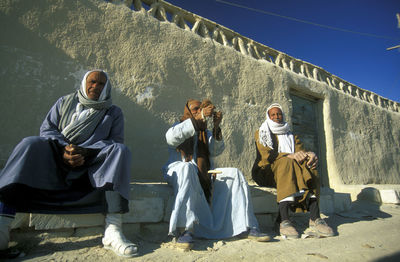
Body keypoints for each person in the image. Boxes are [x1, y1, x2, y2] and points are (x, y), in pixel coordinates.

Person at [0, 70, 137, 258]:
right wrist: (66, 149)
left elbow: (115, 140)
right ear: (84, 83)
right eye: (92, 82)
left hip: (92, 163)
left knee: (121, 151)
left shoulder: (113, 112)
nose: (95, 87)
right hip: (58, 156)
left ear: (107, 88)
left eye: (101, 84)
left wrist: (86, 152)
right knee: (29, 143)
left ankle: (113, 231)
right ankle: (1, 225)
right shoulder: (64, 102)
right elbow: (47, 129)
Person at [162, 99, 270, 250]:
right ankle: (185, 229)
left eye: (201, 109)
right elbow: (171, 139)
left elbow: (216, 150)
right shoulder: (179, 126)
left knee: (235, 174)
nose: (199, 111)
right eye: (195, 109)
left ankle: (247, 226)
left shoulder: (205, 132)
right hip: (178, 169)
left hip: (203, 173)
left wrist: (216, 126)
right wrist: (198, 119)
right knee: (187, 168)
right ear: (187, 111)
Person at [251, 103, 334, 239]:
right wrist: (289, 155)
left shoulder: (291, 134)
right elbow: (266, 155)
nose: (277, 117)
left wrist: (310, 154)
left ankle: (314, 217)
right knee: (286, 162)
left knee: (310, 166)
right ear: (268, 116)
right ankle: (284, 220)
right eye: (273, 114)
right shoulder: (261, 132)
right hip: (265, 171)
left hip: (288, 168)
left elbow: (300, 152)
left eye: (279, 114)